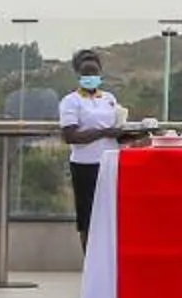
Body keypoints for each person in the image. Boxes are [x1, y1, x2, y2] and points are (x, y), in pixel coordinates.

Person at [54, 48, 131, 248]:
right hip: (85, 165)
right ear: (78, 75)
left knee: (111, 214)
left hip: (110, 163)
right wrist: (103, 132)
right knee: (87, 217)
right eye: (86, 74)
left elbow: (115, 128)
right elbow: (70, 136)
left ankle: (108, 259)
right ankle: (89, 261)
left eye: (94, 73)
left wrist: (128, 134)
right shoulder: (71, 101)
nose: (91, 77)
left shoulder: (109, 98)